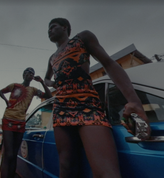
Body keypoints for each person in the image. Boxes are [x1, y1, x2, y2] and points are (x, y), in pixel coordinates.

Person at [44, 18, 151, 178]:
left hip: (87, 105)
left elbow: (108, 63)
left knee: (106, 172)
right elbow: (47, 79)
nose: (49, 30)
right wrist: (54, 82)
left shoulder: (82, 38)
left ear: (65, 27)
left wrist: (134, 101)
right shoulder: (52, 58)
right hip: (61, 108)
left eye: (53, 27)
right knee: (66, 167)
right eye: (48, 29)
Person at [0, 67, 52, 178]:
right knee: (8, 154)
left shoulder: (32, 90)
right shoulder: (14, 86)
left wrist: (42, 82)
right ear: (23, 74)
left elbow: (49, 95)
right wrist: (6, 101)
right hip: (8, 119)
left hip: (21, 122)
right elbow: (1, 91)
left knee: (14, 154)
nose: (30, 74)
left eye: (32, 73)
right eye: (28, 72)